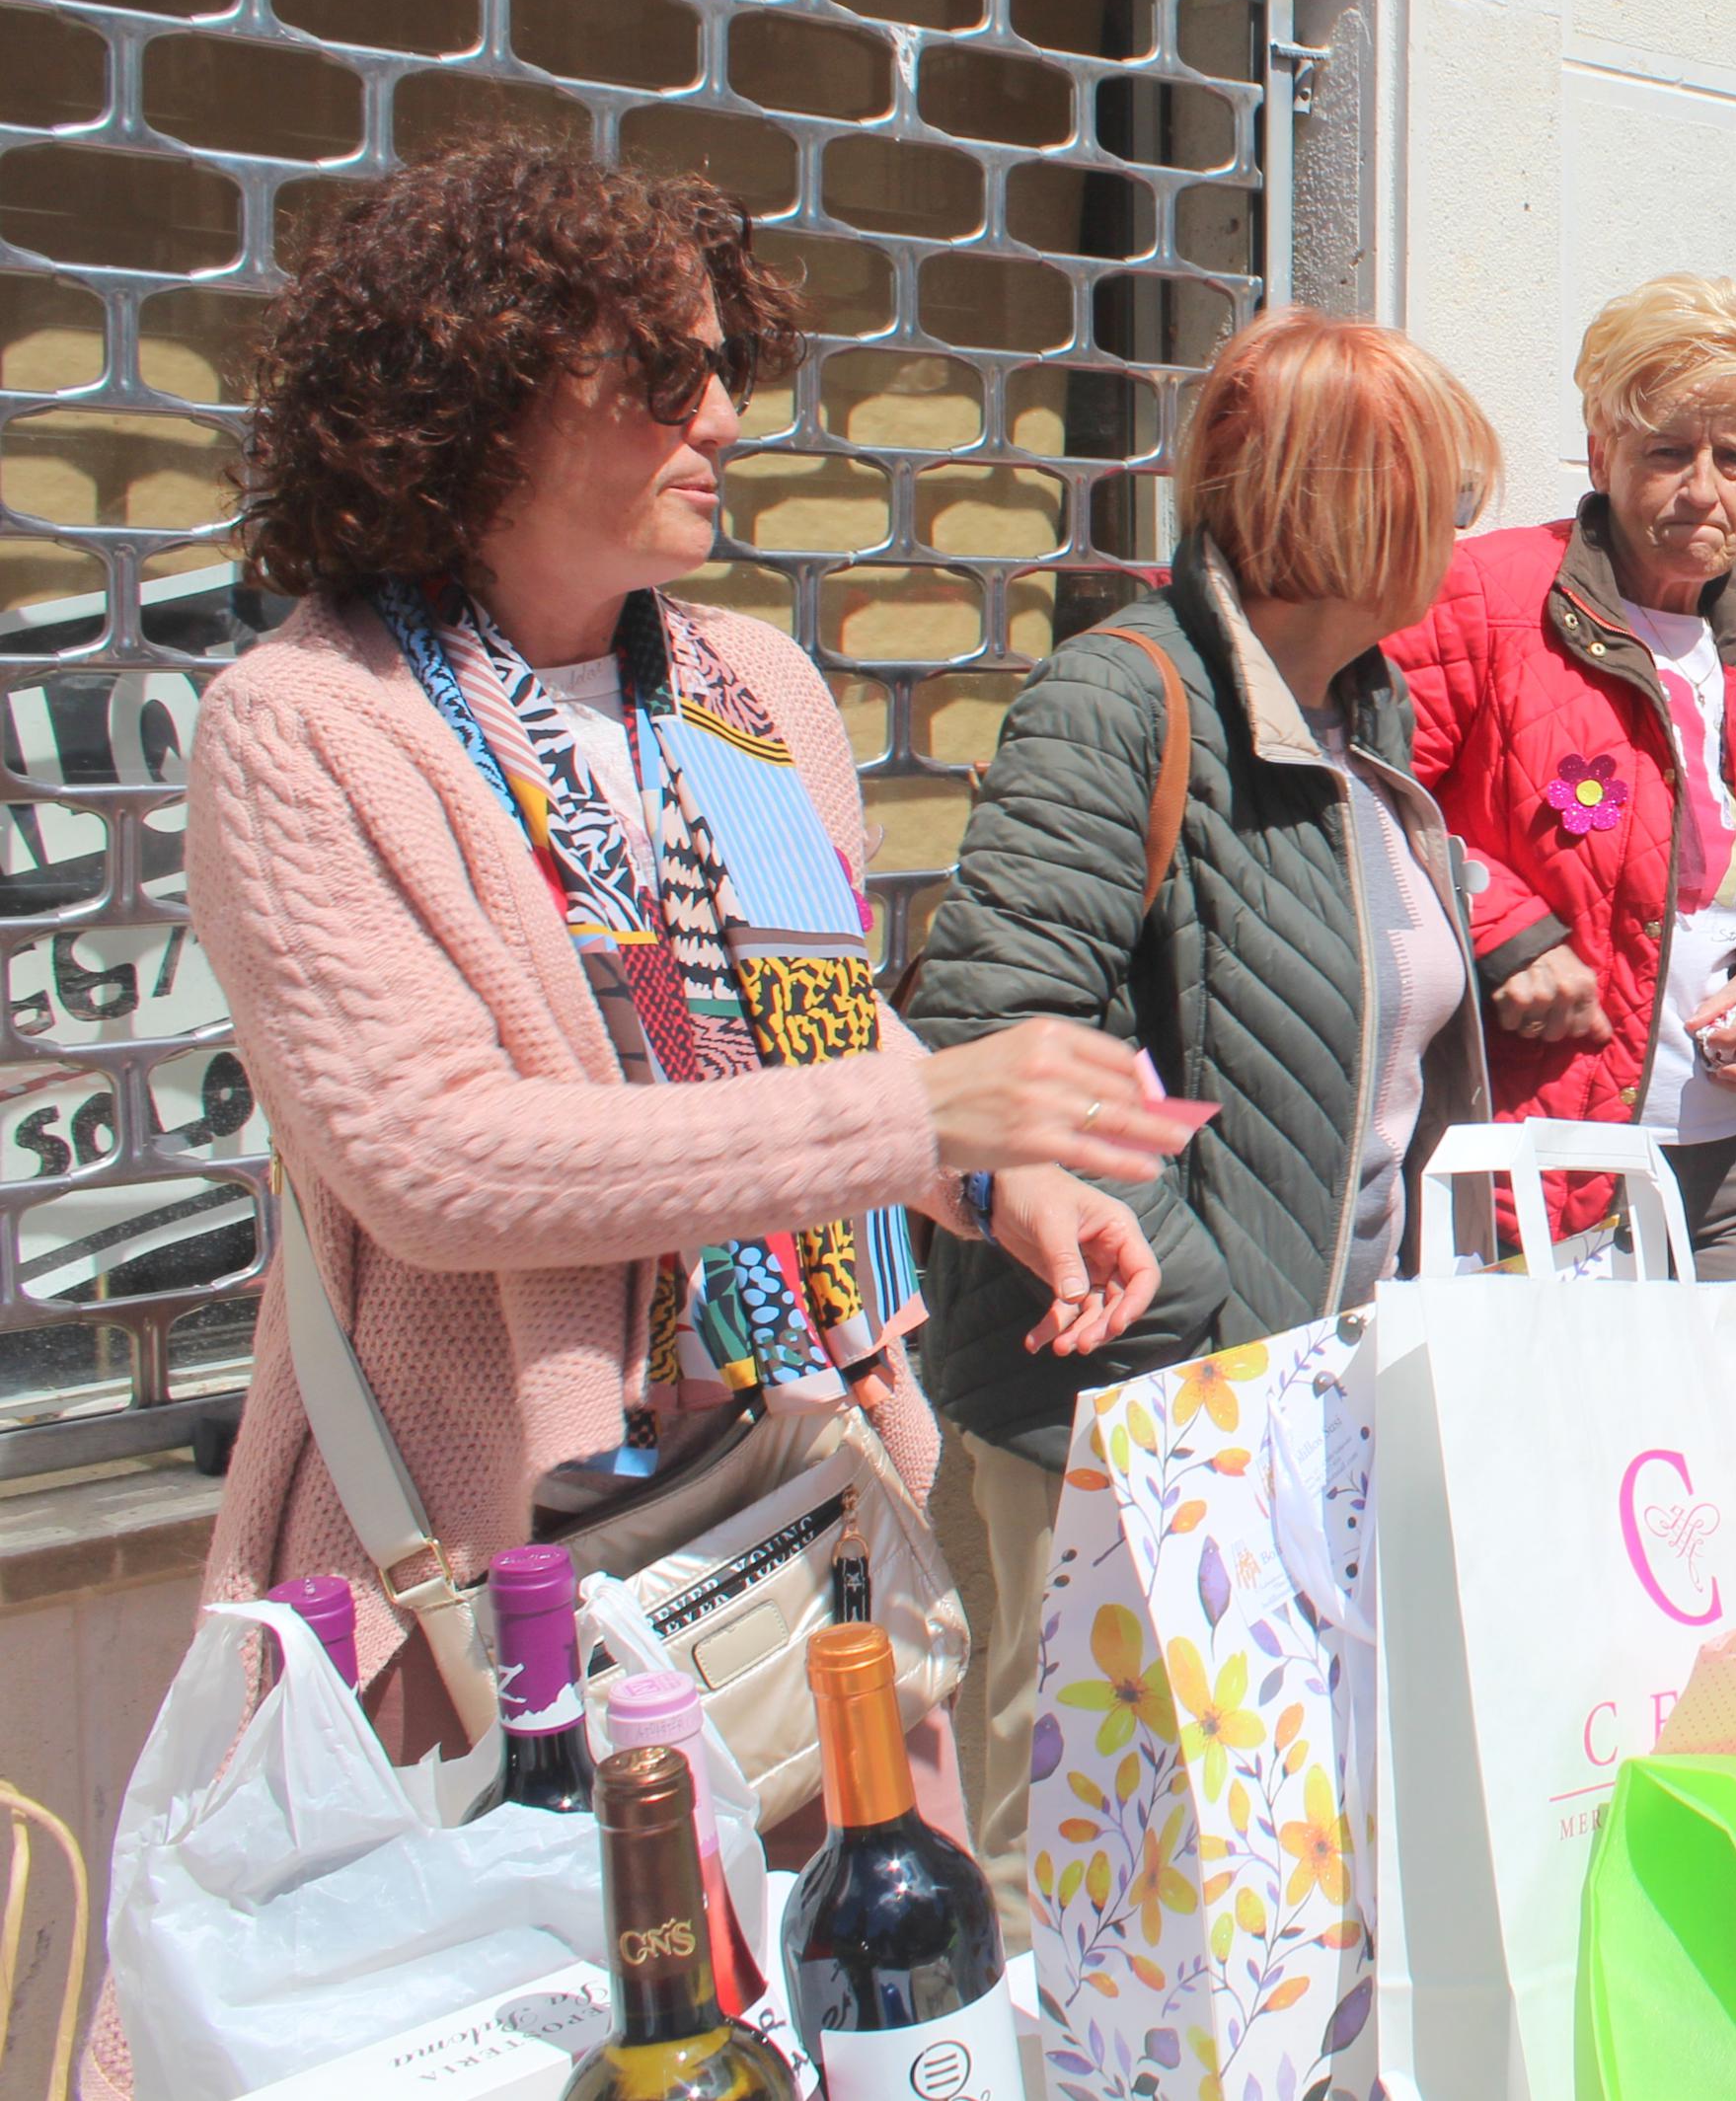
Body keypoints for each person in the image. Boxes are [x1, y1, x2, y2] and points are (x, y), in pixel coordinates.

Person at [174, 143, 1169, 1761]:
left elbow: (815, 1028)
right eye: (661, 371)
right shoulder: (308, 726)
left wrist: (993, 1186)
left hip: (799, 1499)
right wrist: (922, 1126)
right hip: (485, 1554)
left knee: (843, 1964)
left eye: (726, 367)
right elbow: (427, 1161)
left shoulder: (743, 690)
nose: (720, 417)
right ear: (477, 395)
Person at [904, 310, 1497, 1950]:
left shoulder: (1358, 715)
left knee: (1247, 1855)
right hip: (1127, 1403)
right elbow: (1001, 1029)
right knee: (1088, 1859)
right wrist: (1206, 1317)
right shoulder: (1126, 695)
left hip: (1295, 1401)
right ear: (1347, 501)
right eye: (1439, 486)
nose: (1463, 521)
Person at [1384, 277, 1736, 1271]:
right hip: (1539, 1164)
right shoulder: (1482, 597)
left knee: (1731, 1430)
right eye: (1668, 451)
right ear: (1602, 451)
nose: (1702, 489)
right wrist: (1498, 926)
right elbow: (1354, 801)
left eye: (1735, 458)